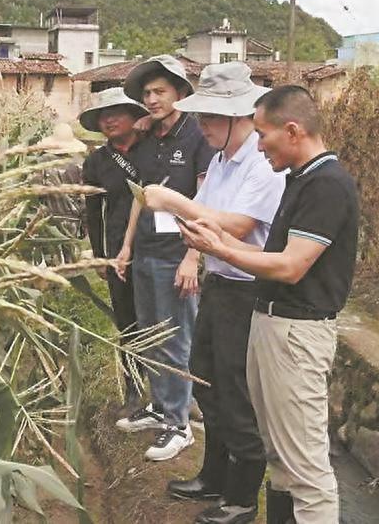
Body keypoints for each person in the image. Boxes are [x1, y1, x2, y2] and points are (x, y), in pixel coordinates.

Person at [176, 85, 359, 524]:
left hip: (297, 332)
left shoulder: (327, 184)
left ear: (292, 130)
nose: (258, 145)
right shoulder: (300, 178)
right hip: (272, 323)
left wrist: (218, 249)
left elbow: (292, 266)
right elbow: (271, 256)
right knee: (279, 453)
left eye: (262, 134)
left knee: (306, 466)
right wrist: (215, 241)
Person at [143, 62, 285, 523]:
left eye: (209, 117)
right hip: (220, 283)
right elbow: (206, 213)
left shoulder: (262, 165)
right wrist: (181, 216)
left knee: (234, 390)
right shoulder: (224, 159)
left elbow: (240, 226)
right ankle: (214, 475)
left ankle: (242, 499)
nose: (201, 126)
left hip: (247, 293)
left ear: (237, 116)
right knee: (204, 377)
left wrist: (174, 204)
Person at [115, 55, 215, 461]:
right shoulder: (148, 140)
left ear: (180, 93)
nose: (152, 99)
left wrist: (193, 257)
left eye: (160, 92)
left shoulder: (197, 138)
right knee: (150, 334)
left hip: (178, 255)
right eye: (146, 94)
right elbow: (141, 198)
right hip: (146, 253)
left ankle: (179, 424)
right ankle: (160, 407)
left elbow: (206, 201)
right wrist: (126, 248)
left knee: (176, 338)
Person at [78, 88, 150, 409]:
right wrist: (99, 256)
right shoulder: (96, 161)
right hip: (118, 249)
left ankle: (175, 391)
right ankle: (133, 386)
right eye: (103, 116)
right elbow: (93, 213)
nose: (108, 120)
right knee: (128, 321)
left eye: (116, 113)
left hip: (156, 246)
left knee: (164, 317)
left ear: (135, 116)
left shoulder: (152, 150)